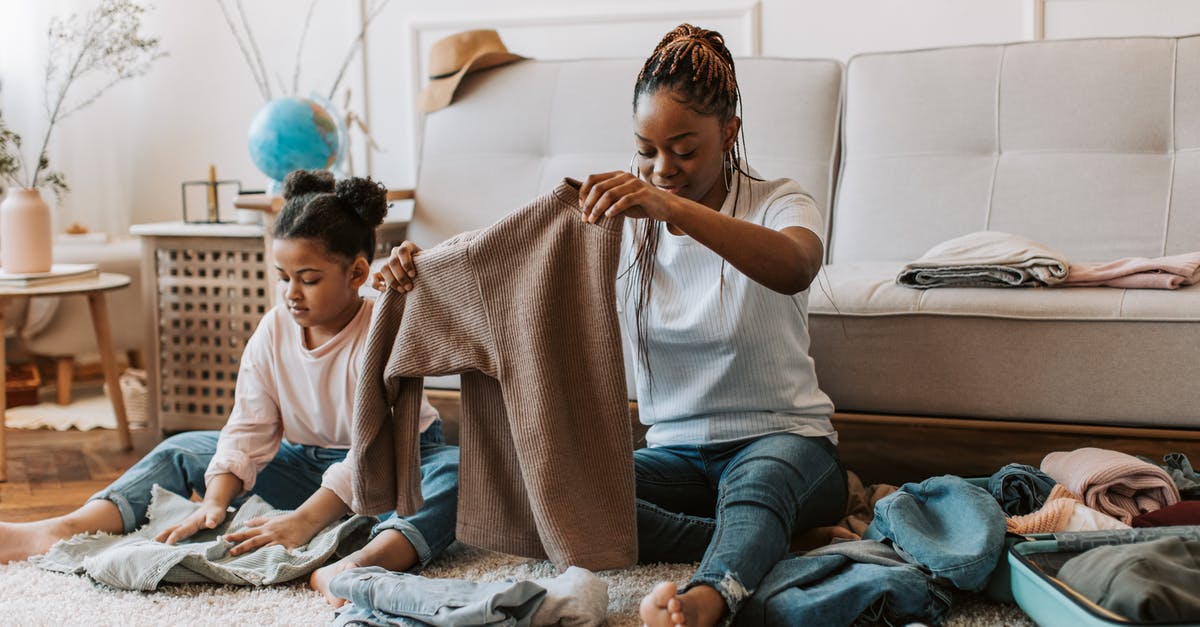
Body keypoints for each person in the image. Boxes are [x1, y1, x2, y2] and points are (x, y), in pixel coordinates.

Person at [0, 170, 460, 608]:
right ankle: (69, 527)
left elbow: (371, 451)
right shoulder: (274, 330)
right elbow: (247, 427)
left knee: (455, 472)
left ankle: (362, 564)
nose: (291, 293)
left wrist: (304, 521)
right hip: (306, 463)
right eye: (283, 277)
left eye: (309, 279)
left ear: (357, 274)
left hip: (393, 465)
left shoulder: (383, 325)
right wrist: (215, 502)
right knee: (183, 449)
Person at [578, 24, 849, 627]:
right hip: (675, 457)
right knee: (569, 491)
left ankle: (708, 599)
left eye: (683, 148)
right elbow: (516, 265)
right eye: (646, 151)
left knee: (757, 490)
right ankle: (761, 541)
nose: (661, 168)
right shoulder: (624, 221)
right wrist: (419, 272)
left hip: (785, 444)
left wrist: (674, 208)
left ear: (728, 132)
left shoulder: (780, 201)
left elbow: (798, 266)